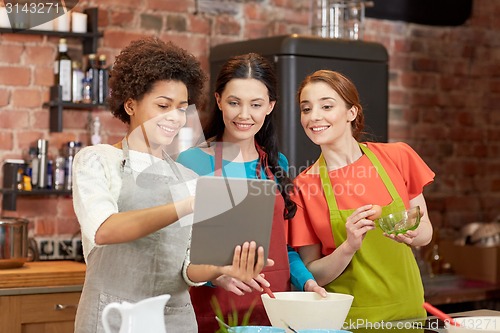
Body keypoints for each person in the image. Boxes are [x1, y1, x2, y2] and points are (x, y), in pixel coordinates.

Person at [71, 38, 270, 333]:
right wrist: (187, 205)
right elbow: (104, 230)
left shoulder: (187, 177)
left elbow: (188, 267)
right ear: (130, 104)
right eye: (163, 105)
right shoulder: (98, 161)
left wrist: (220, 268)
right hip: (112, 317)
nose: (174, 118)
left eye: (181, 108)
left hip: (174, 321)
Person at [177, 53, 326, 332]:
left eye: (256, 104)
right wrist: (215, 276)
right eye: (234, 103)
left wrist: (307, 281)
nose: (244, 115)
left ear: (270, 106)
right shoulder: (191, 162)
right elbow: (174, 252)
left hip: (274, 309)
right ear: (219, 100)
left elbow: (283, 248)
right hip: (216, 312)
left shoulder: (275, 163)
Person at [288, 69, 435, 327]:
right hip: (349, 320)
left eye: (327, 106)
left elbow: (426, 232)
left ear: (351, 112)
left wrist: (409, 232)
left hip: (409, 312)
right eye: (306, 109)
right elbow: (312, 274)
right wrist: (348, 247)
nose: (314, 117)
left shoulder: (398, 157)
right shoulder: (303, 187)